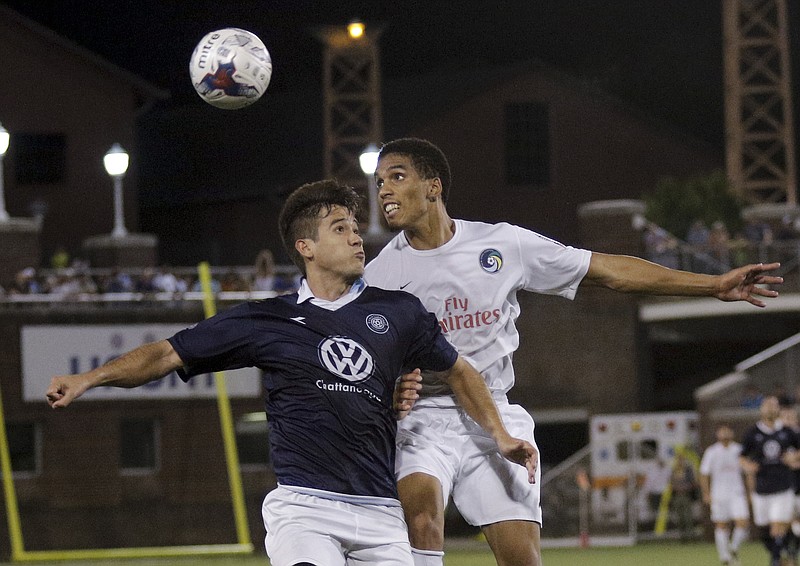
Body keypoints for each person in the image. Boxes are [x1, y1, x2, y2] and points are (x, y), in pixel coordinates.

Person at [45, 180, 536, 566]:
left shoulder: (400, 312)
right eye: (340, 228)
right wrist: (89, 379)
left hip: (381, 511)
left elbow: (459, 370)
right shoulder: (267, 319)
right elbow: (166, 354)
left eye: (354, 226)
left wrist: (498, 432)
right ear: (306, 246)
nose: (355, 237)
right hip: (306, 508)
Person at [364, 137, 783, 566]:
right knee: (421, 515)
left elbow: (607, 270)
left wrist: (712, 285)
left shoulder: (501, 245)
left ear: (433, 186)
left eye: (397, 177)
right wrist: (390, 387)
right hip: (423, 421)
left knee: (522, 559)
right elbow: (357, 363)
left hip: (495, 415)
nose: (384, 191)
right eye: (379, 183)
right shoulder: (377, 277)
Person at [740, 396, 800, 566]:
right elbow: (742, 457)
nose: (771, 409)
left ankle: (775, 560)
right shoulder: (753, 433)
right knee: (764, 529)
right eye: (768, 405)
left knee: (777, 525)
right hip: (762, 488)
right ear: (761, 409)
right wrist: (748, 466)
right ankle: (783, 554)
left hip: (783, 487)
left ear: (779, 409)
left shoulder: (787, 432)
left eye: (774, 406)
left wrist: (794, 455)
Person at [700, 424, 750, 565]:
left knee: (742, 522)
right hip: (719, 493)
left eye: (727, 431)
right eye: (722, 431)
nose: (725, 434)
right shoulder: (712, 451)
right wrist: (706, 493)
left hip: (736, 492)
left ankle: (733, 548)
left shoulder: (738, 450)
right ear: (717, 434)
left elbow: (747, 471)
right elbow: (704, 473)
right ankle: (725, 557)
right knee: (721, 525)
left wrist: (750, 491)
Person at [670, 451, 699, 542]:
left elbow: (693, 483)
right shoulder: (674, 470)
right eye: (678, 459)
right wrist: (676, 488)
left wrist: (685, 487)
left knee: (688, 517)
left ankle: (690, 536)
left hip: (686, 496)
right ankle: (682, 537)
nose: (680, 461)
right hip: (677, 496)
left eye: (681, 459)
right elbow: (671, 482)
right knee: (679, 517)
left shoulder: (688, 470)